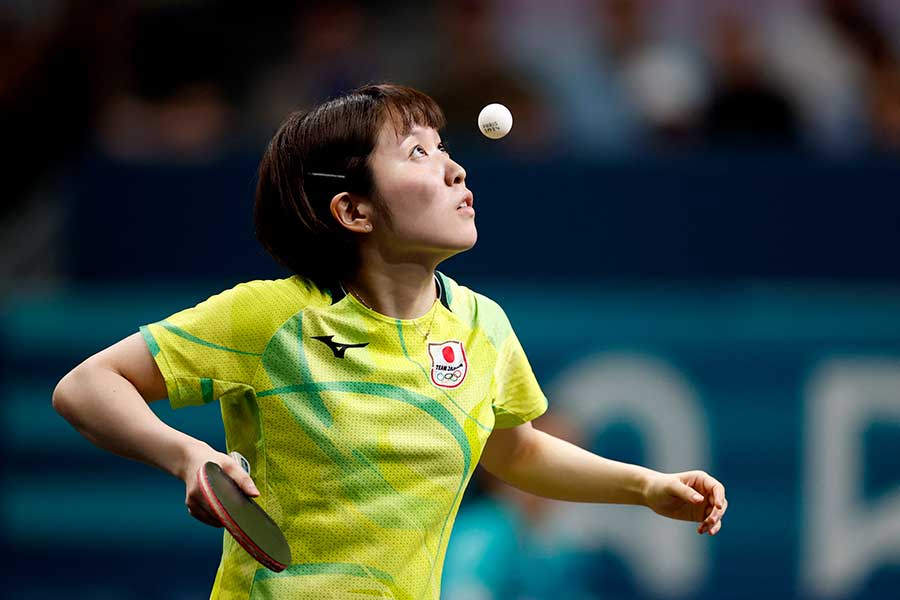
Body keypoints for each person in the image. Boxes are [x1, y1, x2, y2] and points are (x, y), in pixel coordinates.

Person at [52, 83, 727, 599]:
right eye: (418, 153)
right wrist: (186, 455)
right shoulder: (273, 317)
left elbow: (512, 447)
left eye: (446, 150)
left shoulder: (481, 326)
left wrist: (647, 487)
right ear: (353, 210)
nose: (456, 170)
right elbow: (85, 387)